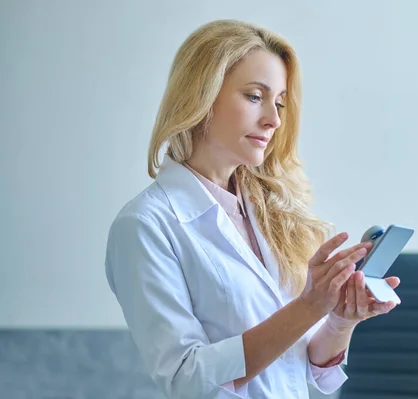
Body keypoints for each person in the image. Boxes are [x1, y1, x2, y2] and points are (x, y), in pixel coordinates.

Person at [104, 19, 400, 399]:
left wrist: (341, 319)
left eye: (278, 103)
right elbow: (185, 379)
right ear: (202, 95)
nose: (274, 120)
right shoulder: (145, 226)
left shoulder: (268, 212)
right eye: (255, 96)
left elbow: (301, 364)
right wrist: (310, 306)